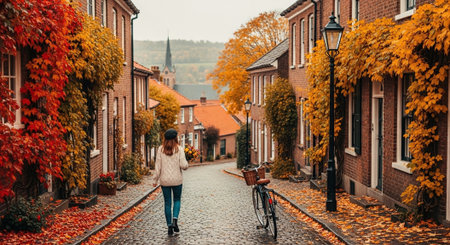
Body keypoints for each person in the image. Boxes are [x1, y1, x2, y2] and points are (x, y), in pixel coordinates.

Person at [153, 128, 189, 235]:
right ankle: (175, 221)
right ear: (175, 138)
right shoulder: (179, 149)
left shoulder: (160, 149)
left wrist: (155, 179)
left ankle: (169, 226)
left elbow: (157, 166)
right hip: (177, 180)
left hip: (164, 181)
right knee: (177, 200)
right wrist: (187, 164)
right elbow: (183, 165)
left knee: (167, 203)